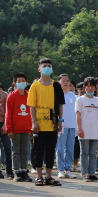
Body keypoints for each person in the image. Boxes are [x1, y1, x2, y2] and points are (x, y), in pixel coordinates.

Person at [27, 58, 65, 186]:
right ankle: (39, 176)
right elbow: (32, 106)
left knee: (50, 150)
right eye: (44, 66)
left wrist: (60, 120)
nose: (47, 68)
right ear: (39, 69)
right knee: (38, 150)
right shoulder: (35, 86)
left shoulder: (56, 85)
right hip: (39, 124)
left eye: (49, 65)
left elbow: (60, 104)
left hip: (52, 123)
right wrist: (34, 122)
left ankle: (48, 177)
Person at [5, 73, 33, 182]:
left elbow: (31, 112)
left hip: (26, 129)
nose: (21, 83)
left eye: (23, 81)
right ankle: (16, 171)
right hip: (15, 130)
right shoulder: (11, 96)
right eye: (19, 81)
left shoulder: (29, 95)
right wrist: (9, 129)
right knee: (16, 151)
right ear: (15, 83)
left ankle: (24, 171)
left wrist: (31, 128)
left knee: (25, 151)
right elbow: (8, 114)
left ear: (26, 83)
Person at [76, 77, 98, 182]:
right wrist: (79, 129)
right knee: (84, 153)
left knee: (93, 153)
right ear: (84, 87)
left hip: (95, 130)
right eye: (88, 86)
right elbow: (78, 115)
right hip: (84, 130)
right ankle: (85, 173)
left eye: (92, 86)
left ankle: (92, 173)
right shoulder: (80, 99)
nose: (90, 88)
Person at [55, 74, 79, 179]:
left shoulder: (73, 96)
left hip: (72, 125)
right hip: (62, 126)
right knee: (60, 148)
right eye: (63, 81)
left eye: (67, 81)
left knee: (70, 148)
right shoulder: (56, 94)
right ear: (59, 82)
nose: (66, 83)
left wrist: (77, 126)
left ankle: (68, 169)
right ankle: (60, 169)